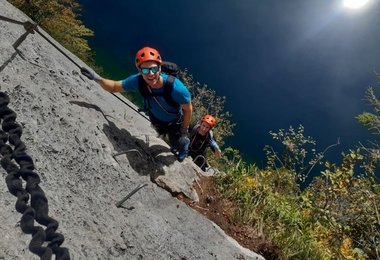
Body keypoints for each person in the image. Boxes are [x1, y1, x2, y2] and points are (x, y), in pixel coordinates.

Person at [80, 46, 192, 162]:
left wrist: (184, 131)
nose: (150, 74)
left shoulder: (176, 88)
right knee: (166, 136)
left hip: (174, 122)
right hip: (156, 119)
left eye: (153, 69)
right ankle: (175, 145)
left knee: (177, 140)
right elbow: (114, 87)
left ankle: (184, 146)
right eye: (145, 70)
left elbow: (188, 109)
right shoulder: (138, 81)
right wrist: (97, 79)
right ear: (139, 71)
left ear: (159, 68)